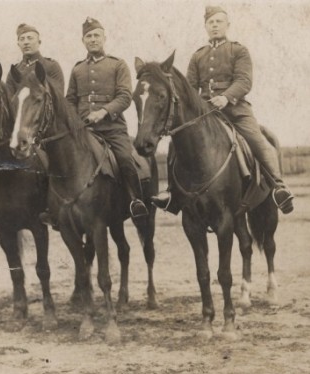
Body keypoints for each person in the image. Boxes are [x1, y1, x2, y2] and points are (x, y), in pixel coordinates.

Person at [152, 6, 294, 214]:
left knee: (257, 139)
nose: (215, 25)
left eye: (219, 21)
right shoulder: (198, 55)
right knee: (178, 142)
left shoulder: (238, 51)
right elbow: (191, 88)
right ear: (206, 27)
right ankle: (172, 192)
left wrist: (226, 97)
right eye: (211, 22)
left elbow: (244, 81)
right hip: (206, 112)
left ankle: (279, 186)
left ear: (227, 25)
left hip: (236, 109)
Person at [64, 17, 148, 218]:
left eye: (96, 35)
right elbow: (69, 100)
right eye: (88, 36)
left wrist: (103, 112)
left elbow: (125, 96)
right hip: (84, 131)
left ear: (104, 38)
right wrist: (75, 122)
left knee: (126, 159)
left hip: (112, 129)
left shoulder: (117, 65)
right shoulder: (77, 69)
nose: (93, 39)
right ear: (83, 40)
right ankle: (59, 206)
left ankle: (135, 200)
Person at [6, 23, 64, 97]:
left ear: (39, 42)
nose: (26, 42)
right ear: (18, 44)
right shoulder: (14, 71)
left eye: (30, 38)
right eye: (22, 39)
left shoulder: (52, 66)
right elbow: (9, 101)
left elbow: (58, 98)